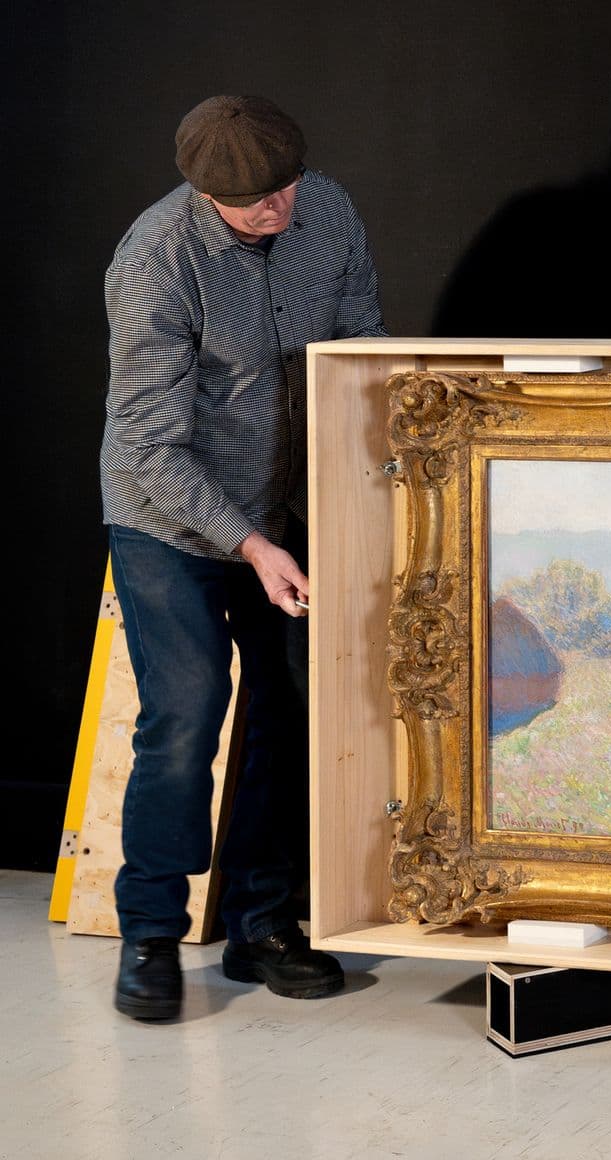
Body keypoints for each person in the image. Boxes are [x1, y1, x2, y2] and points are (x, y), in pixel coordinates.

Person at [100, 95, 385, 1019]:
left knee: (295, 713)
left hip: (289, 503)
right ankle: (149, 936)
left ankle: (264, 926)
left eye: (286, 187)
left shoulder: (326, 209)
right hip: (169, 520)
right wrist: (252, 546)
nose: (280, 209)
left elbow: (358, 347)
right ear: (205, 194)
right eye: (255, 202)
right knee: (185, 716)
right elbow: (147, 444)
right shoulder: (155, 262)